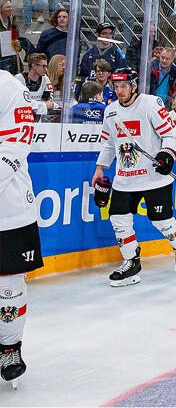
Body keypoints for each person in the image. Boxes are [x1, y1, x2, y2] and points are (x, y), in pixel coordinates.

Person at [91, 67, 176, 287]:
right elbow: (108, 143)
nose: (120, 90)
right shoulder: (111, 111)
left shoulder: (150, 104)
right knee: (118, 220)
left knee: (162, 222)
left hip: (154, 178)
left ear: (134, 85)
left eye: (124, 86)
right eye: (116, 87)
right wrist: (100, 168)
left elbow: (169, 134)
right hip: (125, 179)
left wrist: (167, 154)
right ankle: (131, 261)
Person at [0, 70, 44, 389]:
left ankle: (10, 348)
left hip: (10, 211)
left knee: (9, 287)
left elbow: (17, 144)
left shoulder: (8, 86)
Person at [78, 23, 128, 91]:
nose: (108, 36)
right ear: (97, 35)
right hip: (90, 91)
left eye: (110, 34)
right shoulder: (88, 54)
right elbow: (81, 76)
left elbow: (123, 77)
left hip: (111, 93)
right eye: (104, 33)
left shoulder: (118, 54)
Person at [14, 53, 52, 118]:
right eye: (44, 66)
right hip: (21, 118)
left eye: (46, 66)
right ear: (34, 66)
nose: (46, 69)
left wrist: (39, 105)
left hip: (39, 119)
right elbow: (19, 104)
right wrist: (42, 105)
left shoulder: (45, 79)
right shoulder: (18, 79)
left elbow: (48, 102)